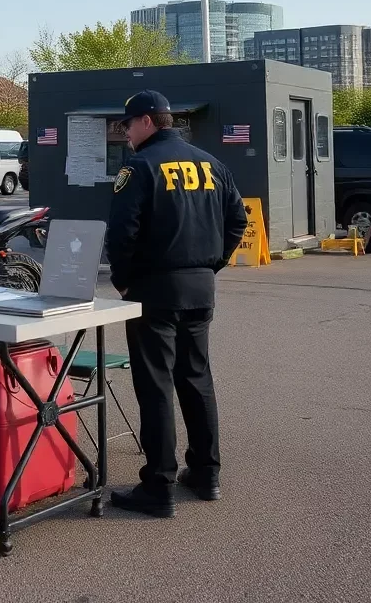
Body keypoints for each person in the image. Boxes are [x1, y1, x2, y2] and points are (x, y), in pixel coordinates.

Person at [106, 90, 248, 518]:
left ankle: (159, 485)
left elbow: (122, 233)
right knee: (196, 378)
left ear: (147, 122)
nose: (126, 133)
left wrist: (124, 283)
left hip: (154, 290)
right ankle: (206, 474)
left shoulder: (140, 167)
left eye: (128, 125)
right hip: (200, 288)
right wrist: (211, 266)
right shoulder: (211, 164)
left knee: (155, 385)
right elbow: (238, 220)